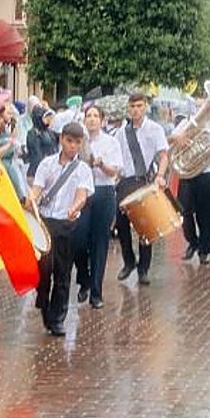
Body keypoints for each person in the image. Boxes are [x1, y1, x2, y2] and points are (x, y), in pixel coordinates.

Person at [32, 123, 94, 336]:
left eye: (77, 142)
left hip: (66, 224)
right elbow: (37, 190)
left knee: (62, 272)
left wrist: (74, 207)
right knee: (43, 270)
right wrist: (30, 201)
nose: (73, 146)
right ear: (61, 140)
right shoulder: (47, 164)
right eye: (69, 141)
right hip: (45, 222)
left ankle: (58, 318)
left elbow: (82, 194)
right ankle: (43, 303)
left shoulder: (83, 169)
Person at [115, 93, 169, 285]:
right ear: (128, 109)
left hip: (144, 180)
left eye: (139, 106)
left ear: (145, 107)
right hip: (125, 182)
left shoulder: (155, 129)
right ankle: (129, 261)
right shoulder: (122, 132)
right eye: (132, 106)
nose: (135, 109)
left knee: (145, 226)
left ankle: (143, 269)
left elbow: (163, 156)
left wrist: (160, 176)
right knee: (121, 225)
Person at [73, 105, 122, 309]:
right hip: (82, 194)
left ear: (102, 120)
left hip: (103, 192)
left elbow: (114, 172)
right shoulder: (77, 141)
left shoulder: (111, 142)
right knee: (78, 240)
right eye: (88, 116)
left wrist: (100, 164)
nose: (91, 119)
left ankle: (96, 291)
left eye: (95, 116)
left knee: (100, 243)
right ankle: (83, 278)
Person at [172, 101, 210, 265]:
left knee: (206, 214)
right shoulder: (185, 123)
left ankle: (204, 249)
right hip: (188, 173)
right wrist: (179, 139)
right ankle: (192, 241)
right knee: (185, 211)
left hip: (209, 173)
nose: (204, 109)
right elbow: (172, 141)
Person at [26, 106, 59, 182]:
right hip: (37, 172)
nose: (49, 120)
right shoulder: (33, 133)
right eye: (46, 118)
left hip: (50, 169)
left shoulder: (49, 131)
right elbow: (36, 154)